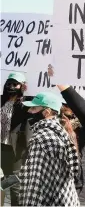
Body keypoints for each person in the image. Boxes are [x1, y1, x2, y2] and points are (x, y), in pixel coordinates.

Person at [18, 92, 80, 206]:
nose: (29, 111)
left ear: (46, 112)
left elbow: (35, 186)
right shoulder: (61, 131)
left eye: (34, 108)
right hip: (65, 199)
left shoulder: (41, 139)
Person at [0, 72, 31, 206]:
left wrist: (25, 94)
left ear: (22, 86)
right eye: (9, 83)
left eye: (15, 84)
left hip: (14, 151)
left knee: (14, 184)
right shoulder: (2, 100)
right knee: (2, 182)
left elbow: (22, 113)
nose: (11, 86)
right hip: (1, 147)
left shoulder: (25, 104)